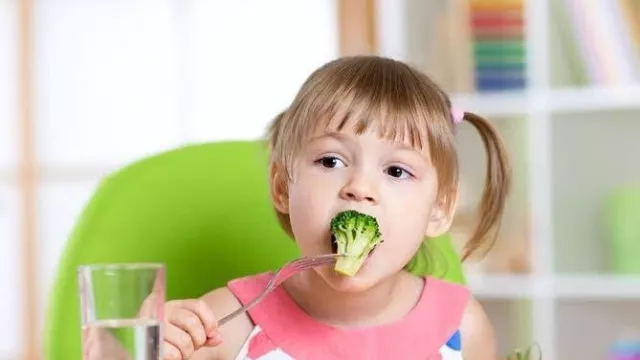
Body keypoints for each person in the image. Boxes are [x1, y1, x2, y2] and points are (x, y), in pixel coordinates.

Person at [162, 55, 511, 360]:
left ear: (439, 209)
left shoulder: (465, 328)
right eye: (331, 161)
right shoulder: (224, 324)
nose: (359, 188)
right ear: (282, 186)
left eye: (396, 171)